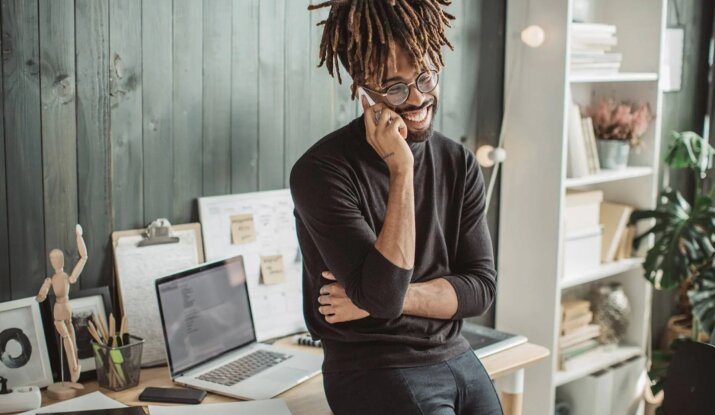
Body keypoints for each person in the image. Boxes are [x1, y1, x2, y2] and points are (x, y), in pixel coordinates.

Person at [289, 1, 502, 414]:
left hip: (454, 352)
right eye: (396, 87)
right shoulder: (321, 172)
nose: (419, 97)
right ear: (364, 89)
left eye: (425, 76)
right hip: (372, 366)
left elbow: (480, 289)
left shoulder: (459, 163)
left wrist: (383, 298)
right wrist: (401, 169)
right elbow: (382, 295)